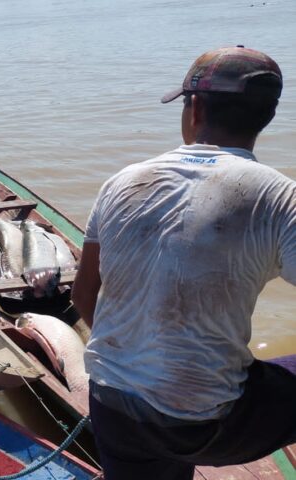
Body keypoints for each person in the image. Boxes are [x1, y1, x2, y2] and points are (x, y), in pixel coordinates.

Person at [71, 46, 295, 480]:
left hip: (112, 407)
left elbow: (83, 296)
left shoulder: (121, 183)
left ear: (194, 109)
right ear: (266, 117)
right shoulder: (279, 198)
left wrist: (142, 364)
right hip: (204, 425)